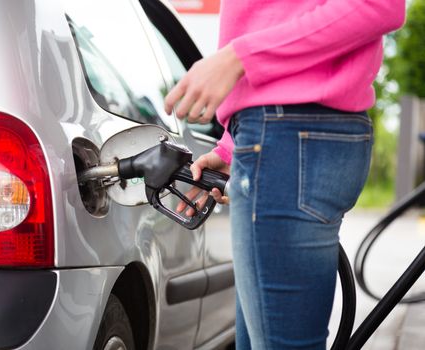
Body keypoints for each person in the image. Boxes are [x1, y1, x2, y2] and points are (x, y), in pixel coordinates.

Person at [164, 1, 406, 349]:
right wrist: (232, 147)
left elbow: (377, 6)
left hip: (286, 135)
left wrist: (239, 58)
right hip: (283, 135)